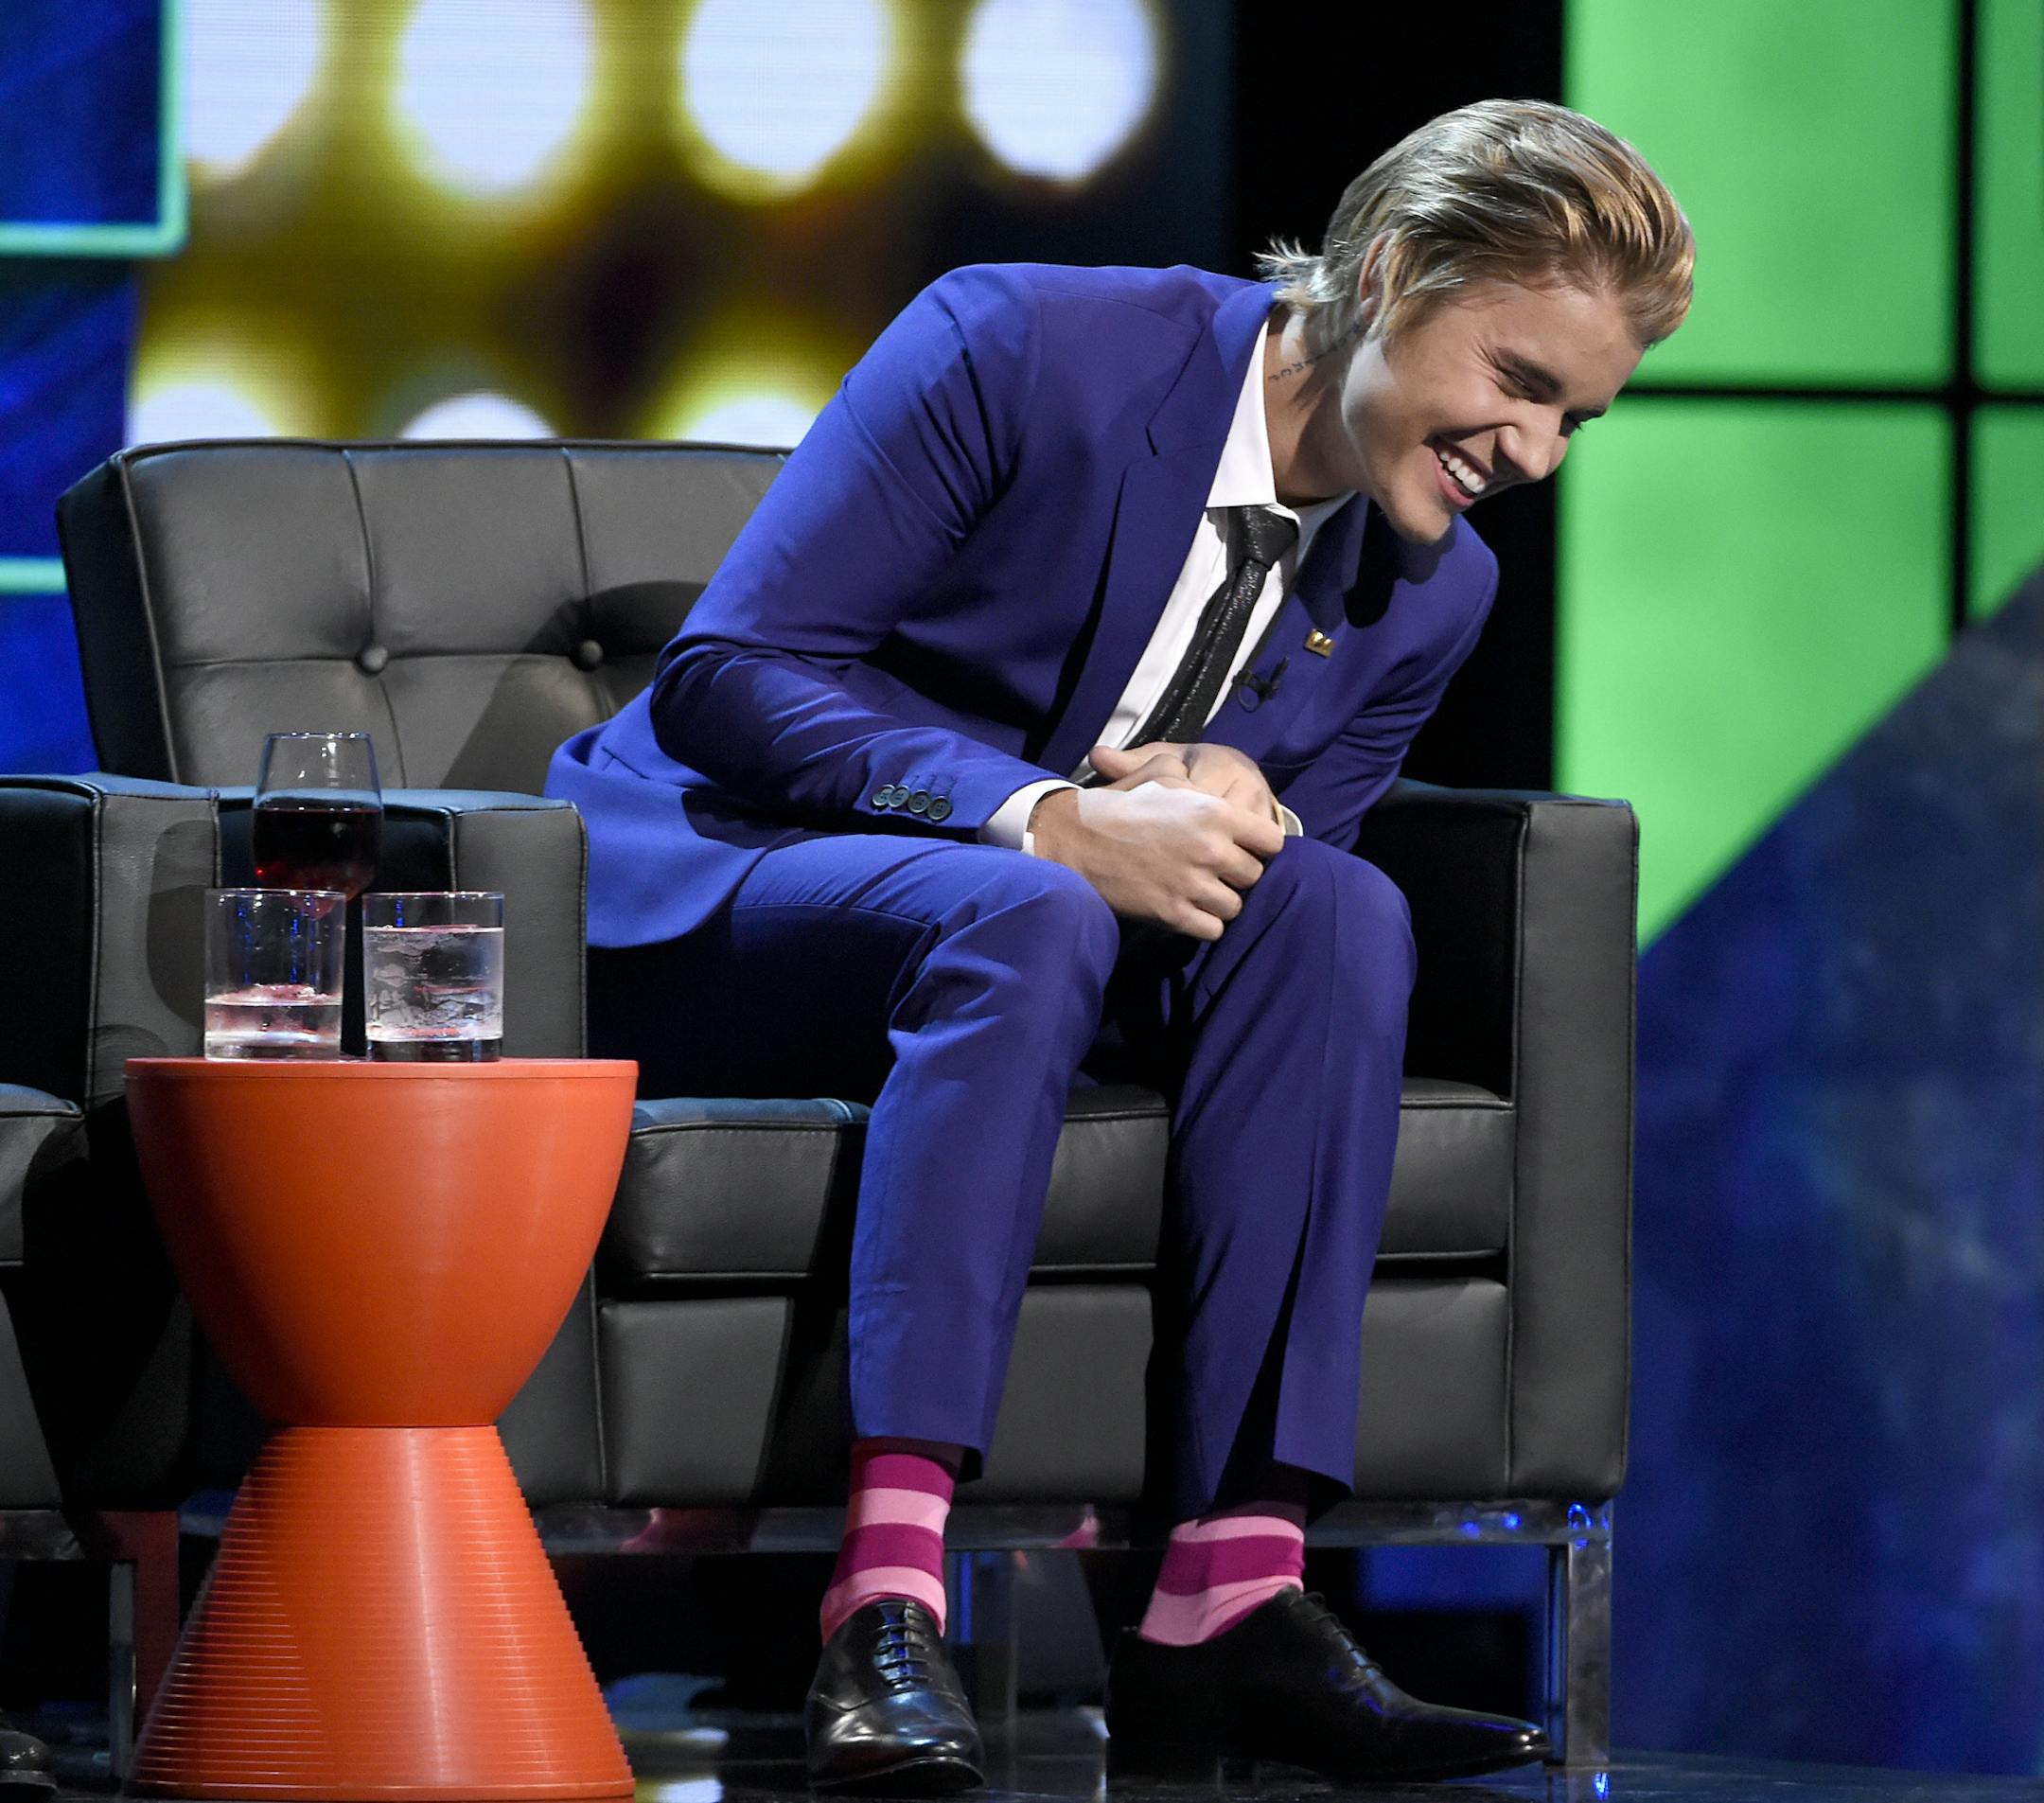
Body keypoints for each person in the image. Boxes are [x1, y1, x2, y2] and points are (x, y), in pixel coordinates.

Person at [549, 97, 1691, 1792]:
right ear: (1389, 272)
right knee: (1023, 904)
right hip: (737, 890)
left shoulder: (1433, 591)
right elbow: (730, 676)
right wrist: (1046, 818)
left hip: (1025, 970)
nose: (1535, 452)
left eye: (1576, 417)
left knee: (1339, 910)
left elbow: (1287, 870)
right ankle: (887, 1598)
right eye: (1520, 384)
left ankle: (1231, 1594)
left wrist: (1245, 790)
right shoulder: (1026, 345)